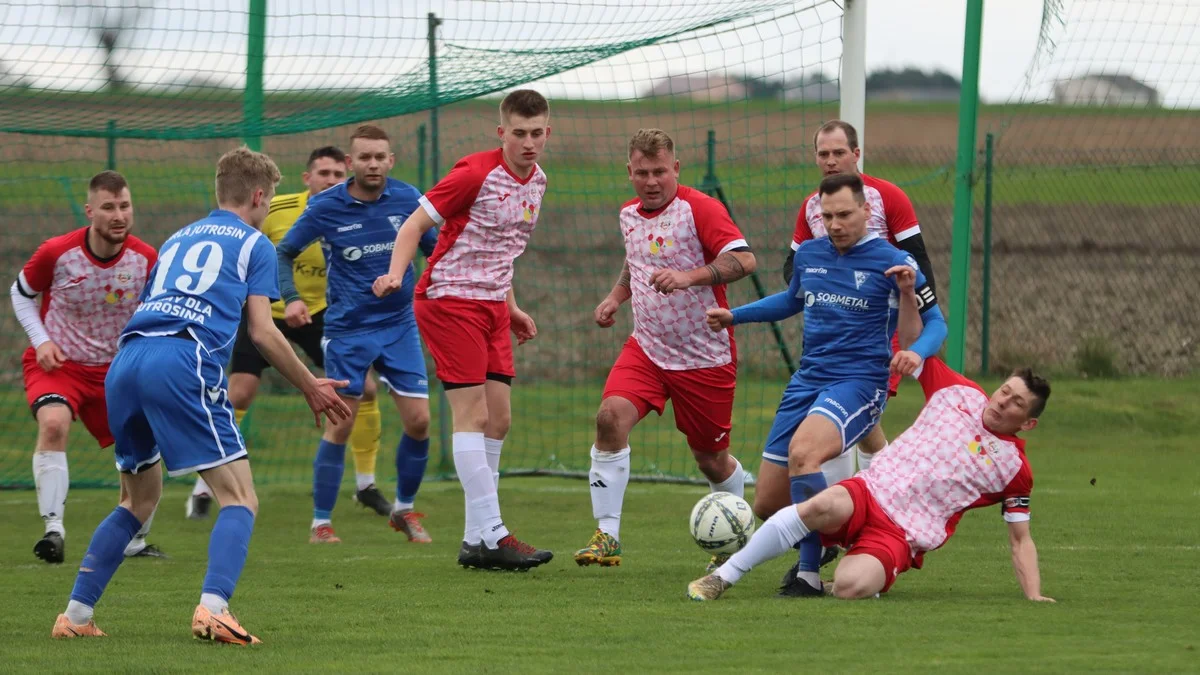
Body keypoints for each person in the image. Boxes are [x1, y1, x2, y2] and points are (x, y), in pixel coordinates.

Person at [51, 146, 349, 643]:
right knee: (240, 497)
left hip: (127, 361)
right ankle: (214, 609)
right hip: (180, 361)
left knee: (137, 500)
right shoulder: (254, 243)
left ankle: (75, 618)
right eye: (269, 199)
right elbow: (264, 332)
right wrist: (310, 384)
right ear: (258, 195)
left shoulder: (175, 239)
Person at [705, 172, 947, 597]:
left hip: (859, 382)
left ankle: (807, 573)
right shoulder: (811, 254)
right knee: (766, 503)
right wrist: (736, 315)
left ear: (866, 212)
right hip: (807, 379)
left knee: (805, 455)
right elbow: (791, 300)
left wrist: (918, 351)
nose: (835, 224)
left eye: (845, 215)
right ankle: (859, 525)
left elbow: (935, 324)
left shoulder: (895, 262)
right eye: (827, 215)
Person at [687, 357, 1054, 603]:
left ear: (1028, 423)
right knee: (819, 505)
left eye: (1017, 403)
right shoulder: (958, 392)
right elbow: (915, 345)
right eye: (1005, 391)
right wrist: (909, 294)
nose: (1003, 401)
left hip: (902, 533)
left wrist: (1034, 595)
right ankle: (725, 576)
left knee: (851, 586)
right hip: (871, 489)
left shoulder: (1013, 469)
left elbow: (1020, 539)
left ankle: (857, 573)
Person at [373, 89, 553, 571]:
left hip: (493, 305)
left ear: (547, 133)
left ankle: (476, 539)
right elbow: (412, 227)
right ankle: (494, 532)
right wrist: (394, 273)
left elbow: (503, 250)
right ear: (502, 133)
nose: (528, 142)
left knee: (499, 419)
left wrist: (511, 307)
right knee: (471, 416)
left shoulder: (537, 182)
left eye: (537, 133)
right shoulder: (474, 173)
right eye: (519, 133)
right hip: (450, 299)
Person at [573, 128, 757, 571]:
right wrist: (616, 298)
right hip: (648, 348)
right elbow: (634, 262)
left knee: (710, 459)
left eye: (660, 171)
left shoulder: (700, 209)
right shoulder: (628, 215)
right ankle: (608, 536)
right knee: (609, 418)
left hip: (704, 355)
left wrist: (689, 276)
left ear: (675, 168)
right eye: (642, 172)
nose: (651, 180)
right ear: (629, 172)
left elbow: (745, 260)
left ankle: (731, 532)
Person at [188, 146, 394, 519]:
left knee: (363, 387)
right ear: (307, 178)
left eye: (337, 174)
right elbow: (248, 247)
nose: (331, 180)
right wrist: (288, 297)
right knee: (240, 392)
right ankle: (204, 486)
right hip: (267, 311)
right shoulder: (275, 210)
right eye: (323, 174)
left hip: (320, 314)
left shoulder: (352, 212)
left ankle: (366, 484)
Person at [278, 125, 439, 545]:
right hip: (348, 331)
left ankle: (404, 511)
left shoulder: (409, 199)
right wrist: (292, 298)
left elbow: (436, 252)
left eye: (379, 156)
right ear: (351, 163)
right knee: (342, 426)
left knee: (420, 422)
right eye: (364, 157)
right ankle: (321, 524)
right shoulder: (326, 206)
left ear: (391, 160)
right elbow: (284, 251)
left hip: (399, 324)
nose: (372, 164)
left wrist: (429, 291)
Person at [11, 170, 165, 564]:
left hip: (116, 370)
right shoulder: (56, 253)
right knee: (53, 423)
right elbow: (21, 293)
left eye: (125, 206)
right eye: (109, 207)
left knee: (139, 448)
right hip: (60, 364)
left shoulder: (146, 258)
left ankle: (134, 540)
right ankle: (53, 532)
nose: (119, 215)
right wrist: (41, 340)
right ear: (89, 211)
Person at [784, 120, 938, 481]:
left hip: (879, 327)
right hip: (832, 329)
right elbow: (792, 266)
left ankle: (849, 507)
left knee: (844, 415)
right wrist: (816, 293)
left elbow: (918, 259)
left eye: (839, 153)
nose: (831, 161)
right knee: (854, 421)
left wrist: (919, 307)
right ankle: (874, 494)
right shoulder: (812, 206)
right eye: (824, 154)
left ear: (856, 154)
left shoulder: (887, 197)